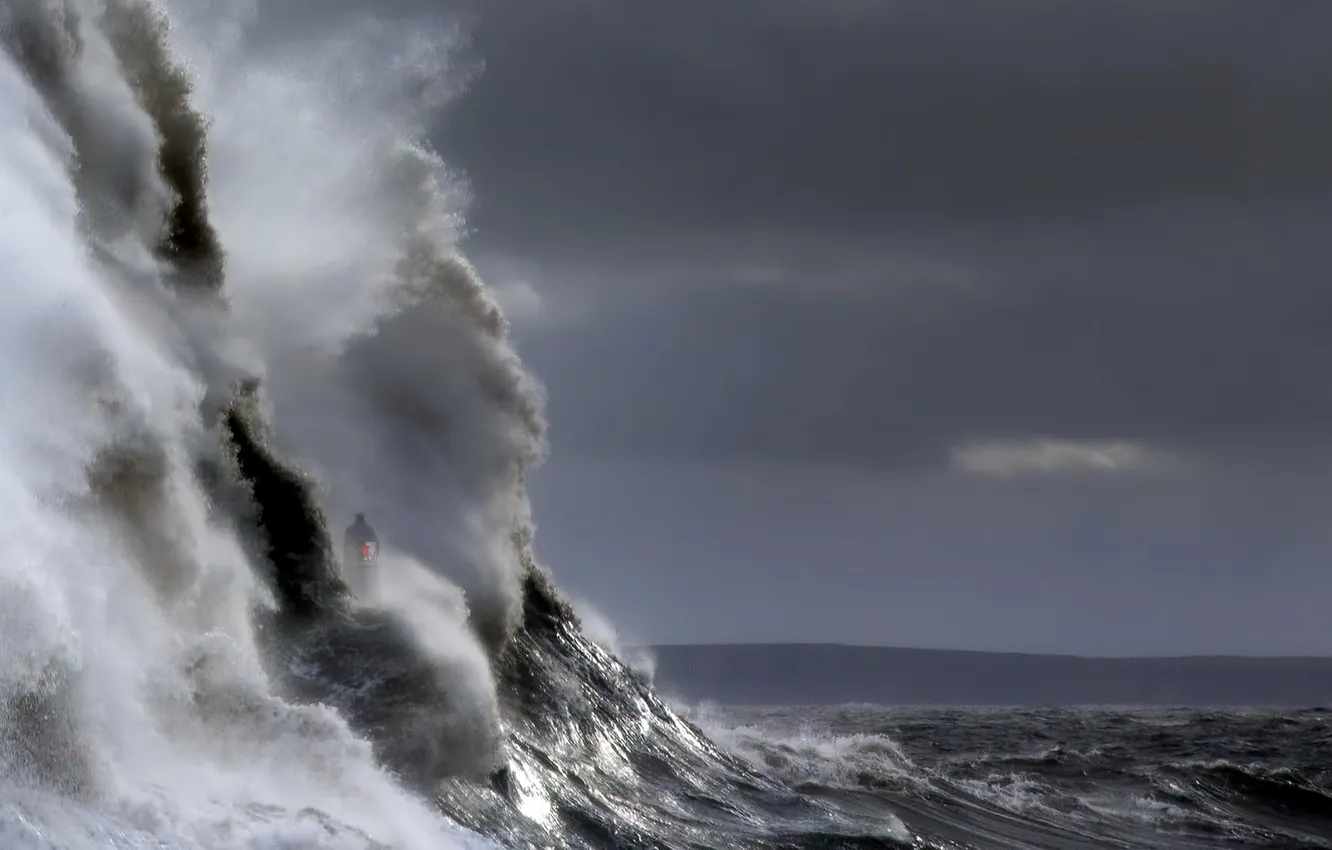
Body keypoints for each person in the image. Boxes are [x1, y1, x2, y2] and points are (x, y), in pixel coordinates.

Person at [343, 512, 379, 601]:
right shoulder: (370, 530)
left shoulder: (350, 530)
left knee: (356, 587)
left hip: (353, 566)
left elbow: (348, 546)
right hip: (368, 565)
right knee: (367, 588)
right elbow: (374, 546)